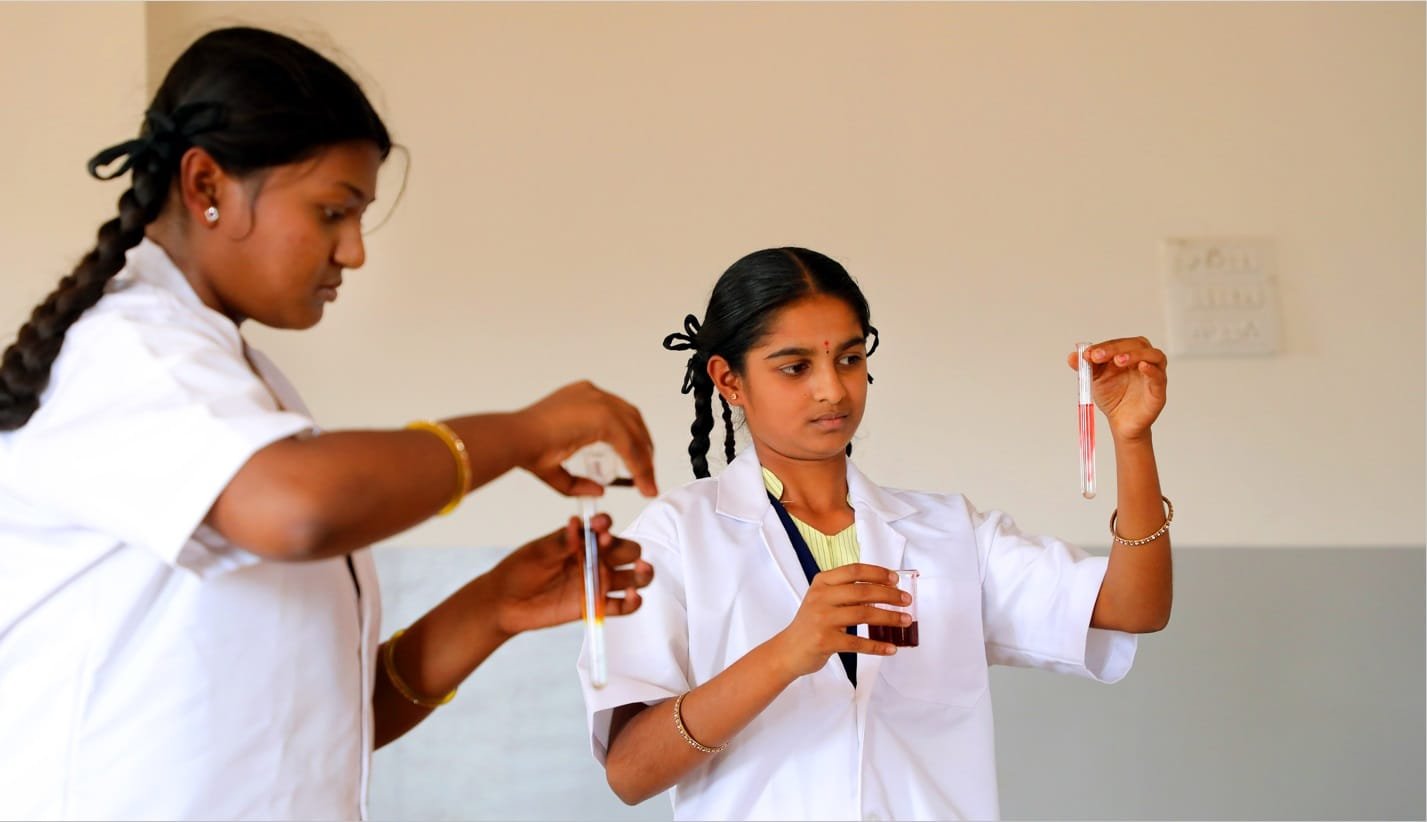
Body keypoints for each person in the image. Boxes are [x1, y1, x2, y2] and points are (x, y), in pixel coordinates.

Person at [0, 26, 656, 820]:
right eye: (332, 212)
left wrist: (492, 607)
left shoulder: (237, 380)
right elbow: (299, 509)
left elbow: (321, 729)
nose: (353, 252)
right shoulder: (128, 352)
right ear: (206, 184)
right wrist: (519, 433)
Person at [578, 246, 1173, 820]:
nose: (833, 389)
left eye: (849, 359)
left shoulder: (949, 532)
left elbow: (1134, 607)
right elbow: (630, 772)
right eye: (795, 367)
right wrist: (786, 654)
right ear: (729, 381)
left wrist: (1132, 440)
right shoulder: (674, 538)